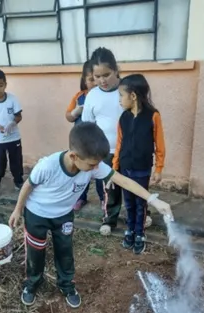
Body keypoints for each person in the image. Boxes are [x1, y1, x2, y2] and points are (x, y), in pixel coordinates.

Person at [8, 122, 174, 309]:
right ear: (74, 156)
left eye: (97, 164)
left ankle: (67, 286)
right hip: (37, 214)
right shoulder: (48, 166)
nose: (96, 169)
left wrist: (153, 199)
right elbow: (28, 185)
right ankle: (32, 285)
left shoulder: (93, 165)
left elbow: (124, 181)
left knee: (65, 252)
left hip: (63, 216)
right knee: (36, 252)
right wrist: (17, 209)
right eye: (92, 164)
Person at [112, 74, 166, 255]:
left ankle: (140, 234)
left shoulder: (153, 116)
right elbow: (119, 144)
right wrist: (114, 168)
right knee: (128, 202)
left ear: (133, 96)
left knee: (140, 202)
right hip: (125, 168)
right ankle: (130, 230)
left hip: (142, 169)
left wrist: (159, 168)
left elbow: (160, 144)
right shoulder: (123, 118)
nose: (119, 99)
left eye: (121, 95)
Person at [80, 47, 123, 236]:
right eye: (97, 77)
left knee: (132, 184)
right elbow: (88, 125)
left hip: (127, 150)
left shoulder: (127, 89)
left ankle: (140, 215)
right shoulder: (93, 95)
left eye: (107, 74)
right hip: (104, 152)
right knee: (107, 188)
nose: (102, 81)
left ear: (116, 70)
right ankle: (109, 219)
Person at [65, 61, 103, 211]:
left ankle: (102, 198)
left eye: (97, 78)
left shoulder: (104, 96)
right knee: (80, 171)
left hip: (99, 143)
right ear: (84, 80)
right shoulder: (79, 97)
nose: (95, 82)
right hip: (81, 143)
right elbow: (68, 116)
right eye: (91, 79)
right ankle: (80, 198)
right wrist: (76, 112)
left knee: (100, 171)